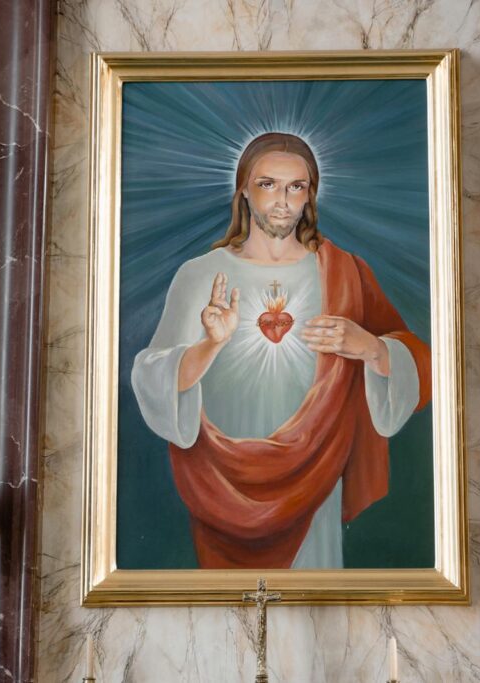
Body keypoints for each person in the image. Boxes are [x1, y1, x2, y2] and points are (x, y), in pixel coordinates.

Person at [131, 132, 431, 569]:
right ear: (244, 190)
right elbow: (153, 377)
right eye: (268, 184)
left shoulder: (343, 271)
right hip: (222, 483)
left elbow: (420, 363)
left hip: (314, 477)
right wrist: (211, 344)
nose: (282, 201)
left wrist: (368, 347)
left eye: (297, 187)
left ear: (311, 194)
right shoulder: (201, 274)